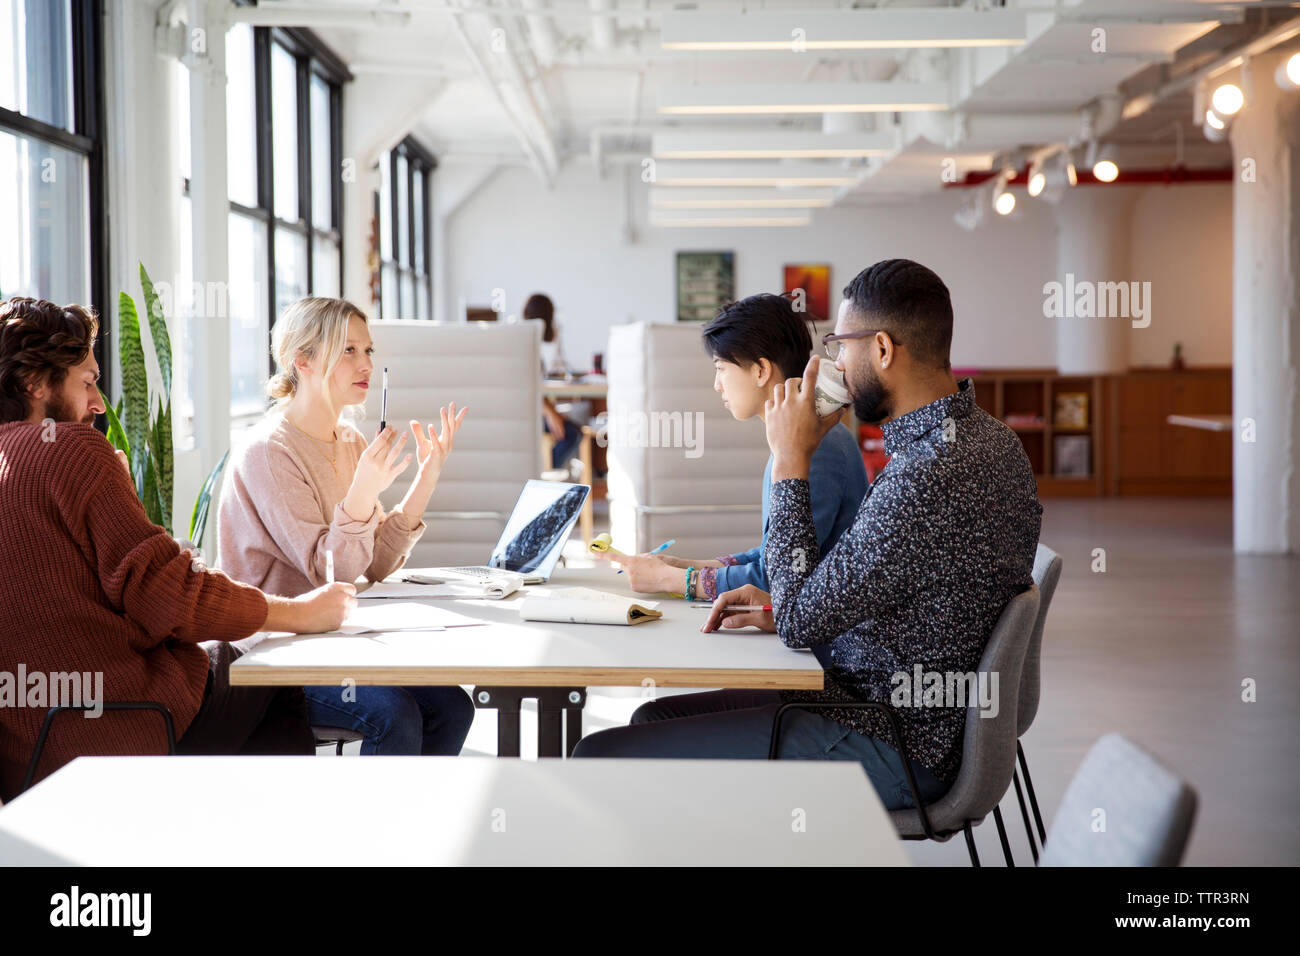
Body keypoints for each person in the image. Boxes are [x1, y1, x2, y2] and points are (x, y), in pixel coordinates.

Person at [573, 260, 1043, 811]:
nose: (836, 364)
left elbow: (800, 623)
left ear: (883, 350)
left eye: (843, 346)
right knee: (655, 717)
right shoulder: (990, 443)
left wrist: (791, 461)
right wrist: (787, 603)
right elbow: (885, 590)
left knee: (599, 758)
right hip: (893, 705)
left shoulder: (926, 473)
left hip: (893, 737)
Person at [0, 297, 355, 799]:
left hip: (32, 757)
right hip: (121, 730)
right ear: (35, 383)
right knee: (263, 673)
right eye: (86, 381)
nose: (99, 403)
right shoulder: (72, 450)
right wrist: (299, 613)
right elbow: (171, 597)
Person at [217, 297, 475, 756]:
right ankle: (372, 827)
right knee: (393, 714)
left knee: (453, 706)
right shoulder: (269, 451)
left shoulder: (350, 440)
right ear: (304, 360)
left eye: (369, 351)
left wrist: (424, 480)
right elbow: (328, 572)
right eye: (348, 350)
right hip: (272, 648)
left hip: (331, 638)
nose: (365, 364)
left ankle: (418, 823)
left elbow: (371, 564)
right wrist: (361, 492)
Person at [597, 293, 867, 613]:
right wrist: (684, 566)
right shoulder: (801, 438)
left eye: (722, 368)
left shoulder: (817, 446)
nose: (717, 384)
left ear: (760, 371)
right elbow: (776, 553)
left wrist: (671, 580)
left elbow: (777, 578)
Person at [527, 293, 583, 470]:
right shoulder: (528, 347)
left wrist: (551, 411)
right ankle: (543, 470)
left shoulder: (531, 344)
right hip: (530, 414)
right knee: (572, 434)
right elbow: (529, 387)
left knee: (572, 429)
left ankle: (543, 469)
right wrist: (550, 412)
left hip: (535, 411)